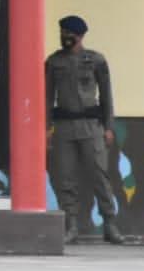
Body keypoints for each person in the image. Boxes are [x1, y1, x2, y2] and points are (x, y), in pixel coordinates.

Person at [46, 15, 124, 244]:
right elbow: (46, 98)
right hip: (64, 127)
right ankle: (71, 226)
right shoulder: (54, 62)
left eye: (69, 33)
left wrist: (109, 127)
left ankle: (110, 224)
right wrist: (46, 128)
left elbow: (107, 96)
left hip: (91, 125)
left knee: (99, 175)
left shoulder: (96, 61)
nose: (65, 37)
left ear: (80, 35)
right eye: (62, 33)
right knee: (65, 177)